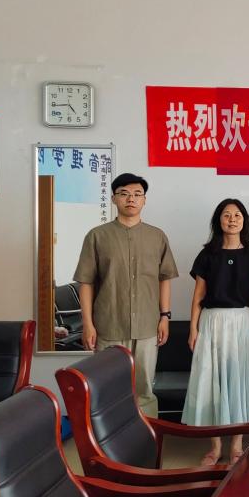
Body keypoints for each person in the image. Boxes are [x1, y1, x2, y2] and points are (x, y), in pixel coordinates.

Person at [74, 173, 178, 417]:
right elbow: (86, 282)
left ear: (144, 200)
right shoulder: (97, 236)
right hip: (108, 325)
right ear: (113, 198)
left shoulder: (157, 236)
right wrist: (87, 324)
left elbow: (164, 278)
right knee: (107, 389)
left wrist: (165, 317)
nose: (131, 199)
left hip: (146, 325)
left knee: (144, 390)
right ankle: (109, 438)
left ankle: (146, 436)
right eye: (124, 194)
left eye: (137, 194)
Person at [182, 198, 249, 465]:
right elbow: (198, 295)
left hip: (242, 322)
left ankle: (237, 446)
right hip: (211, 322)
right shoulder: (207, 254)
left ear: (244, 220)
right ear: (218, 220)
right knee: (212, 381)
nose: (232, 219)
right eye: (227, 215)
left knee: (240, 380)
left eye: (237, 215)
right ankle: (216, 447)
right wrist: (193, 328)